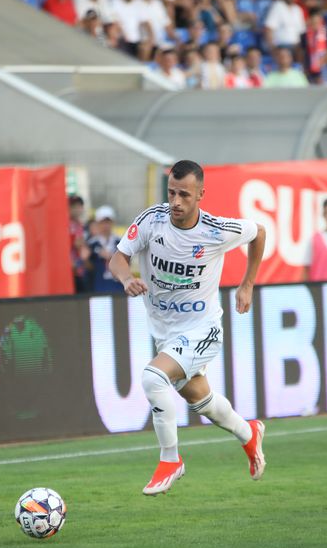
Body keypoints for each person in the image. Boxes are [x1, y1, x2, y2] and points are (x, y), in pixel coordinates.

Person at [106, 159, 267, 496]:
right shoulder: (151, 221)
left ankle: (170, 460)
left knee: (153, 378)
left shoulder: (216, 230)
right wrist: (125, 279)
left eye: (184, 195)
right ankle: (249, 433)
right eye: (171, 193)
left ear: (201, 195)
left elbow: (259, 232)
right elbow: (118, 258)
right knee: (201, 400)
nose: (176, 202)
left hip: (203, 329)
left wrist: (248, 283)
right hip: (166, 333)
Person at [87, 205, 125, 293]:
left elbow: (128, 263)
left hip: (118, 288)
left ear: (113, 223)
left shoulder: (121, 242)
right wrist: (86, 258)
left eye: (108, 222)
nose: (105, 225)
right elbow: (88, 269)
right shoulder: (91, 244)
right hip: (98, 288)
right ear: (97, 224)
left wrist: (113, 257)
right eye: (102, 222)